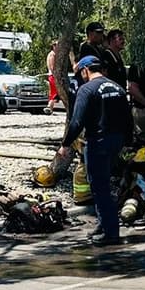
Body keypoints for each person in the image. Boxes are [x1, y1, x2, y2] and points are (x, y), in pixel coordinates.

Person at [60, 55, 133, 246]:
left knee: (100, 188)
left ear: (85, 71)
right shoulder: (117, 87)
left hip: (97, 142)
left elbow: (77, 121)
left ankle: (111, 233)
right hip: (115, 142)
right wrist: (128, 142)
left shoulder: (87, 89)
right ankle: (103, 224)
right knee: (104, 182)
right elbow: (128, 117)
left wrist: (65, 144)